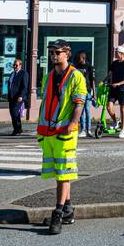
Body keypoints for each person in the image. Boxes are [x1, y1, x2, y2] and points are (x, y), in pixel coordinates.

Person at [37, 41, 87, 235]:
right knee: (58, 172)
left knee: (63, 175)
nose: (53, 55)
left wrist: (73, 124)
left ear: (67, 53)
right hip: (48, 133)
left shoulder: (76, 76)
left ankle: (57, 214)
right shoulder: (48, 76)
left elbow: (79, 103)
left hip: (65, 133)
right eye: (51, 52)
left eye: (57, 52)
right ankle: (67, 210)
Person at [107, 47, 124, 140]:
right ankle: (115, 122)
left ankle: (122, 129)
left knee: (123, 109)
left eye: (116, 52)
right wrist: (103, 81)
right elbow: (110, 74)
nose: (114, 53)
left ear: (121, 53)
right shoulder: (114, 63)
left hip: (122, 89)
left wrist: (119, 83)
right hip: (113, 88)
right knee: (109, 107)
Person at [73, 50, 96, 134]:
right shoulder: (76, 67)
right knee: (81, 111)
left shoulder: (90, 67)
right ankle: (83, 130)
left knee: (87, 110)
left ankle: (88, 129)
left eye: (79, 58)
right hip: (79, 91)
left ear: (83, 58)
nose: (78, 60)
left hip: (87, 91)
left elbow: (92, 81)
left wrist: (94, 93)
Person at [6, 57, 30, 136]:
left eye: (16, 65)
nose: (15, 66)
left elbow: (24, 86)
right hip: (11, 97)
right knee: (13, 113)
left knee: (14, 113)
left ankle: (16, 130)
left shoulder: (24, 73)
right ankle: (18, 129)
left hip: (18, 97)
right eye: (14, 65)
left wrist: (21, 96)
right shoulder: (12, 73)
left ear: (20, 65)